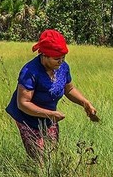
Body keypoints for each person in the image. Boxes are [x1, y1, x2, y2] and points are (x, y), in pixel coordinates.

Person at [6, 29, 98, 161]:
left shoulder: (63, 68)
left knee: (52, 153)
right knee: (39, 158)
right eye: (56, 58)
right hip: (27, 118)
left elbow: (69, 89)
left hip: (49, 117)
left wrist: (85, 102)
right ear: (44, 55)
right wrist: (51, 114)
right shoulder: (30, 72)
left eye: (63, 57)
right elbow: (23, 104)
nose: (60, 61)